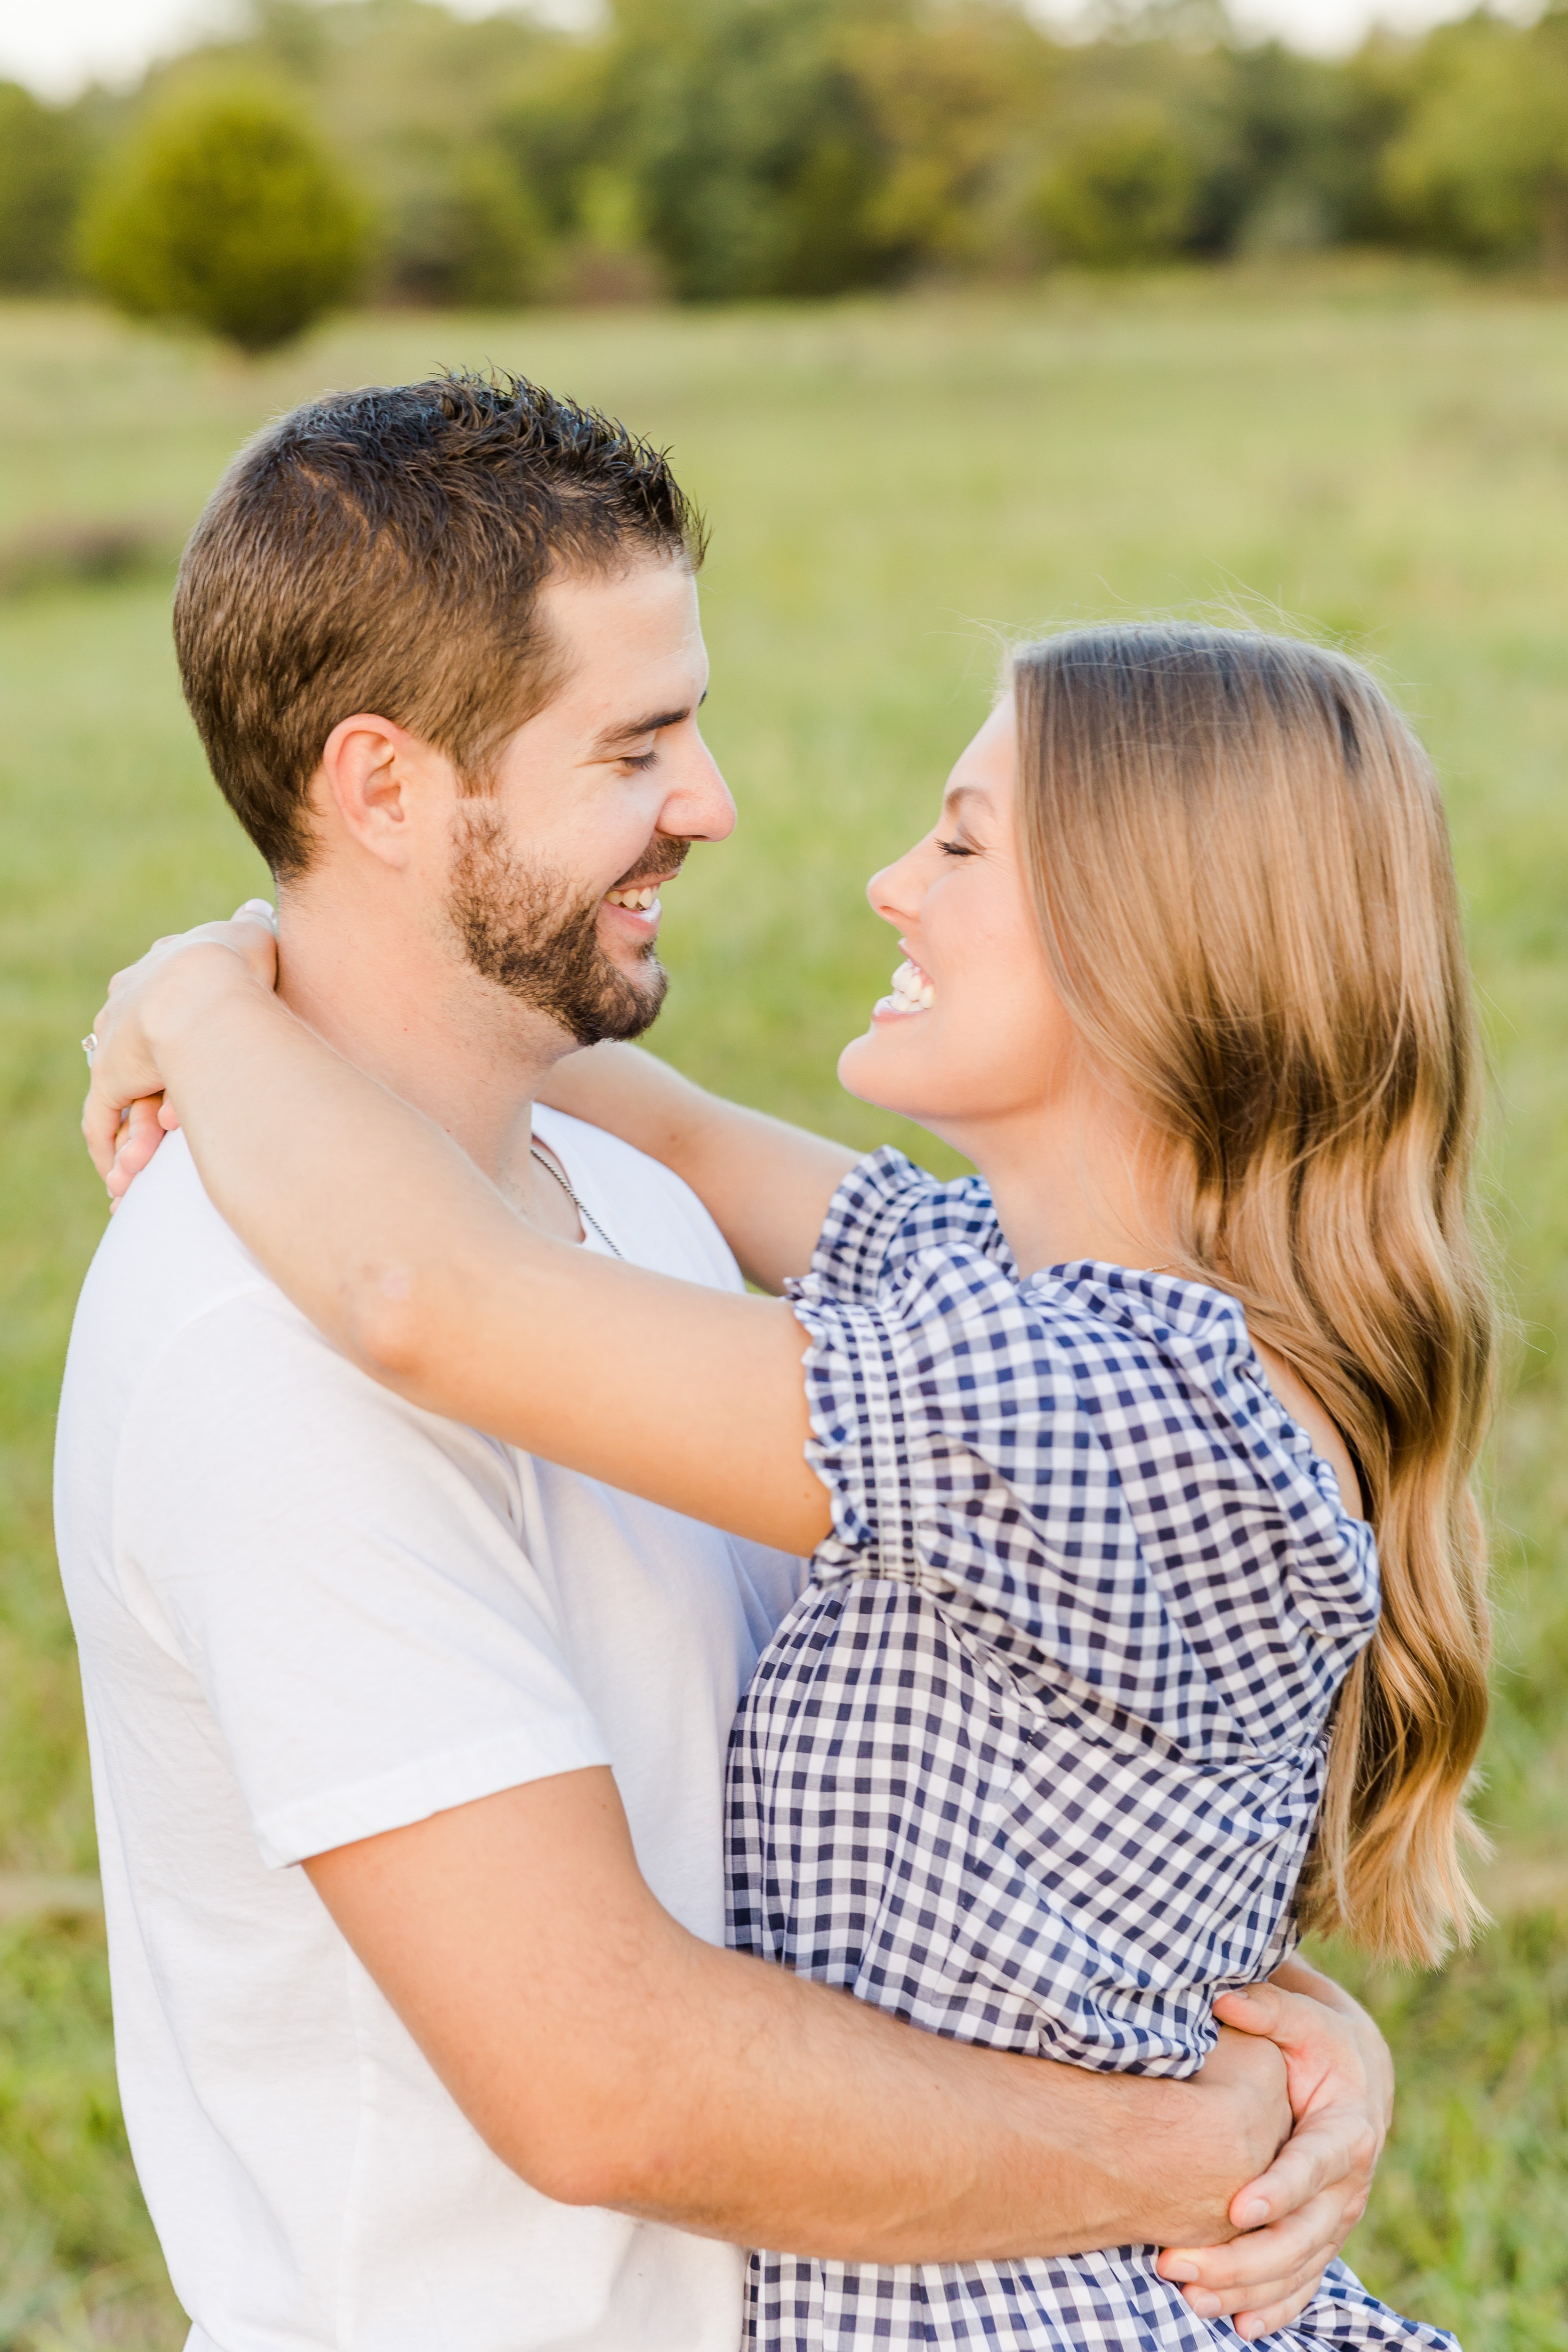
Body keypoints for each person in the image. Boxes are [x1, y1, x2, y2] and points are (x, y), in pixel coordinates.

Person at [64, 373, 1391, 2352]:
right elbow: (604, 2081)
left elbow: (1001, 1797)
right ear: (386, 784)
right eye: (639, 743)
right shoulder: (270, 1330)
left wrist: (1266, 2050)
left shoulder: (686, 1249)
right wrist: (1178, 2141)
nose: (721, 804)